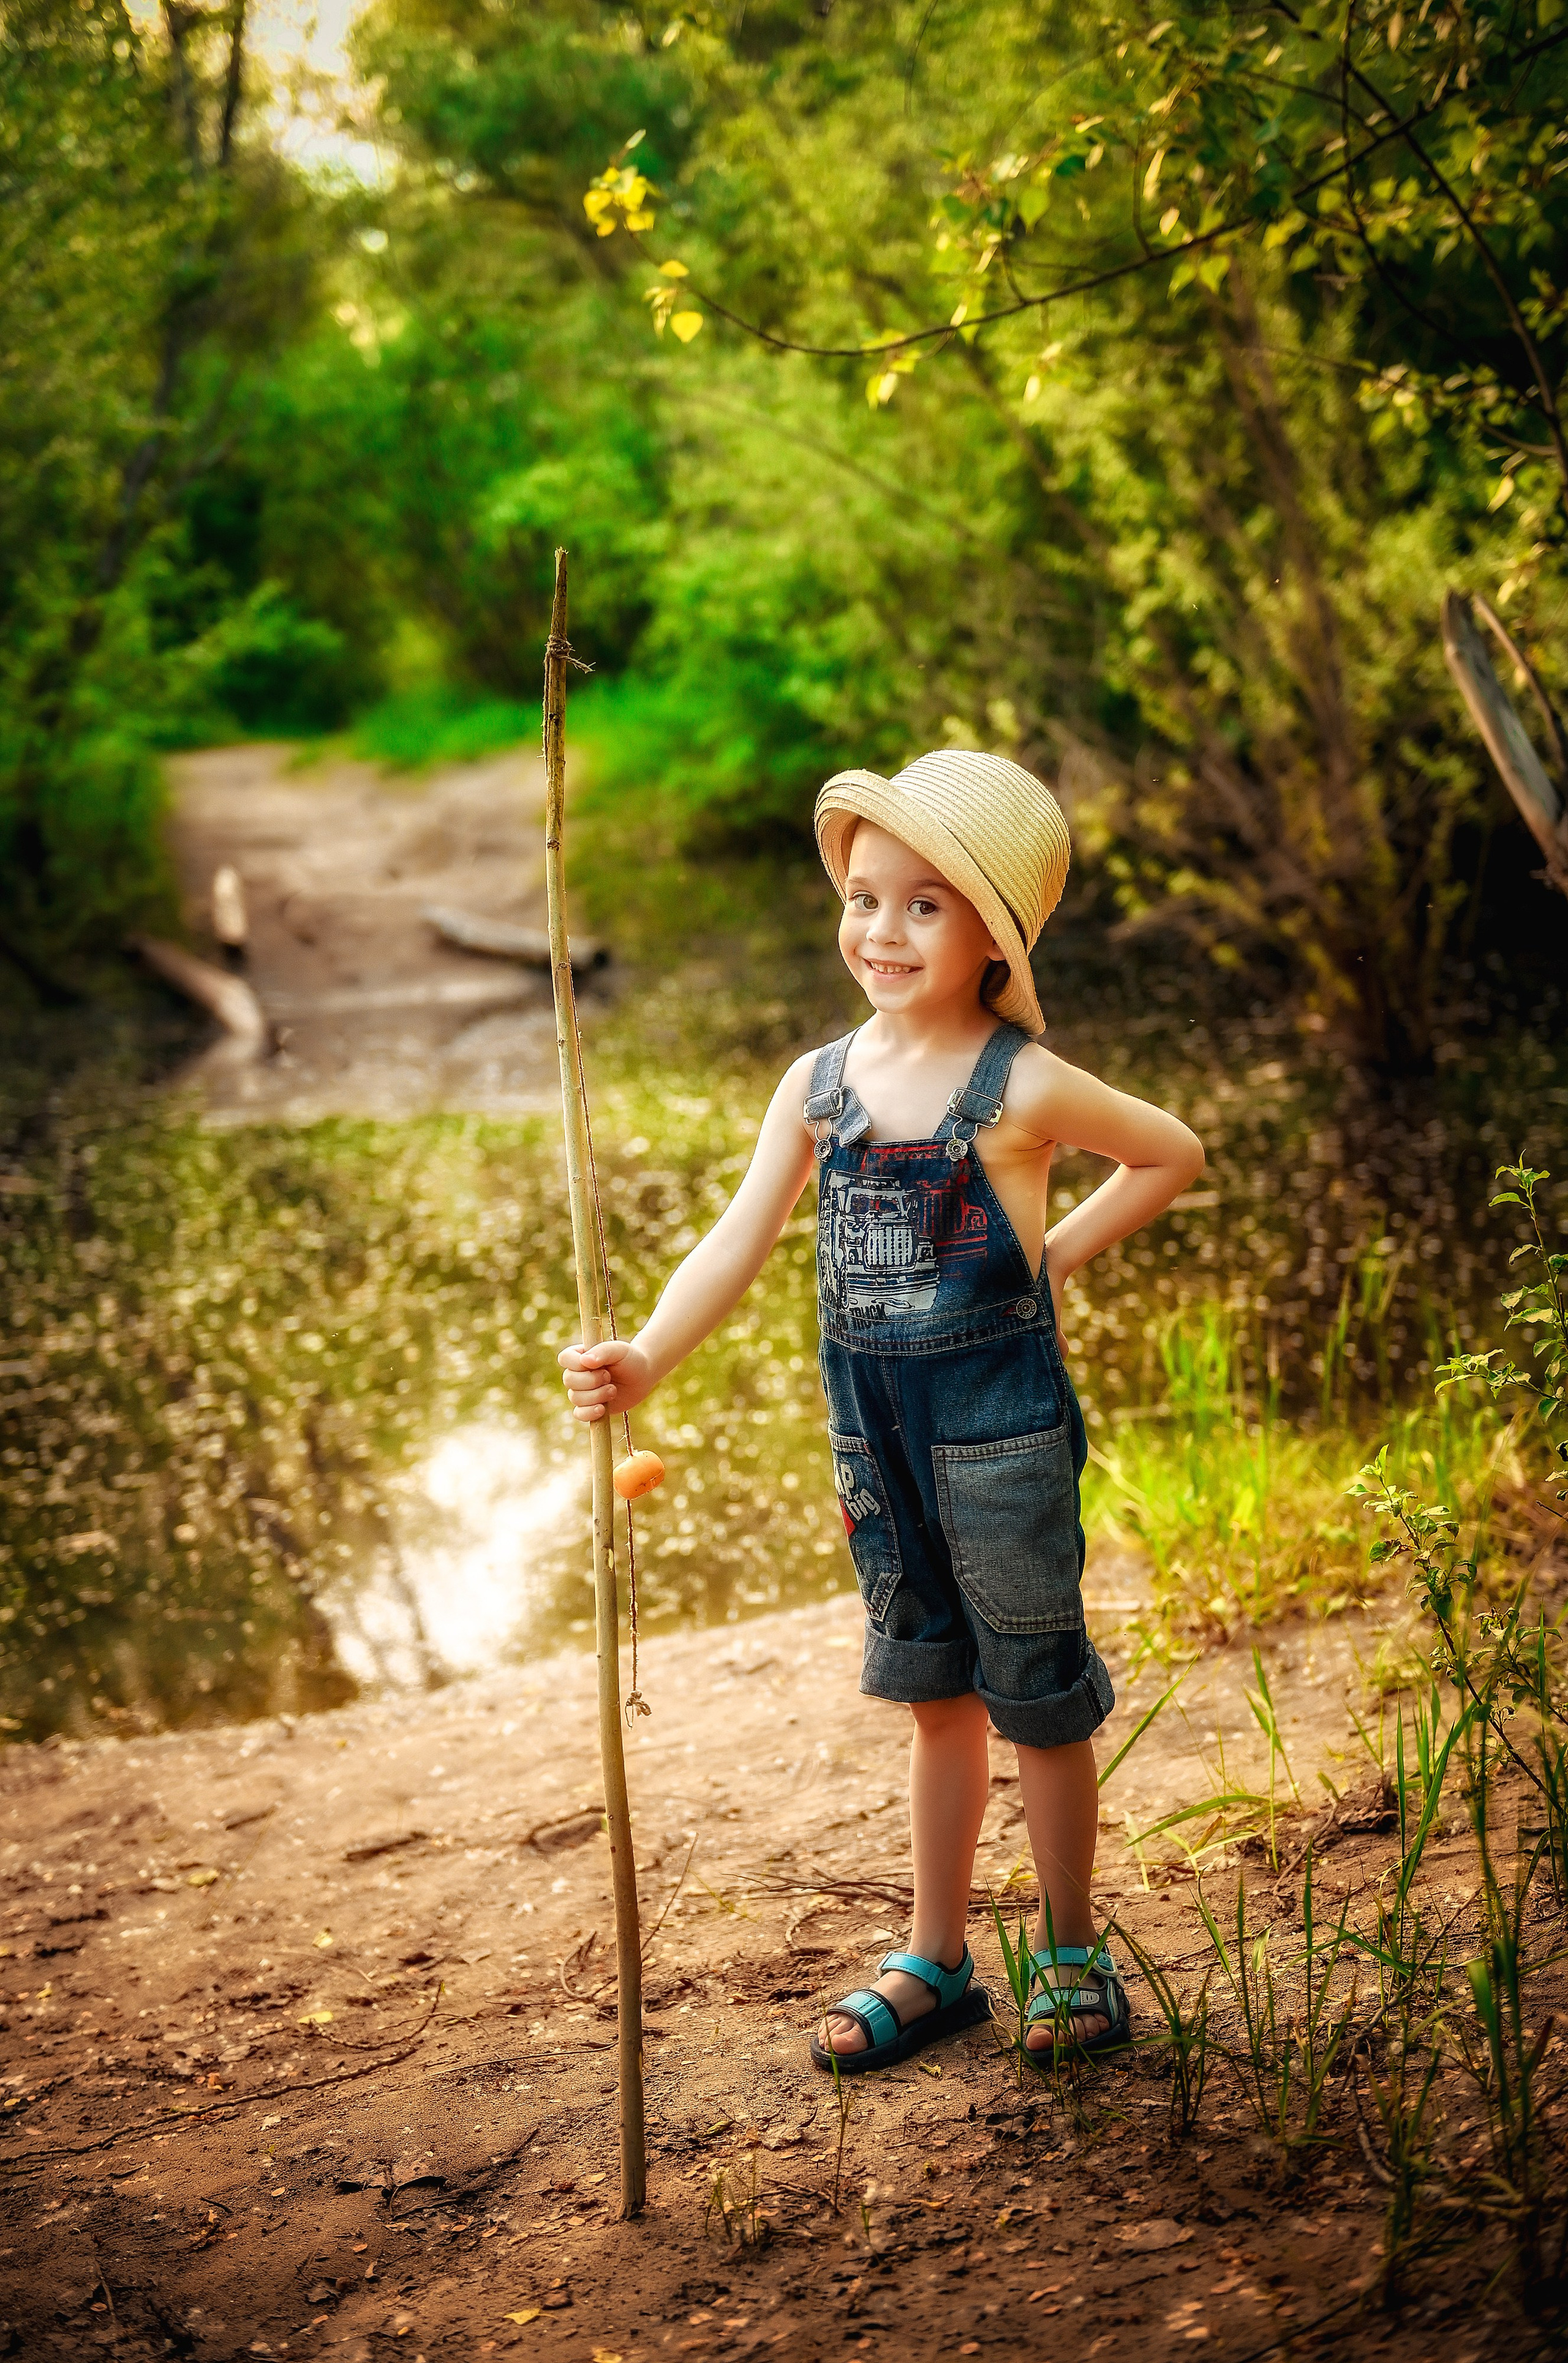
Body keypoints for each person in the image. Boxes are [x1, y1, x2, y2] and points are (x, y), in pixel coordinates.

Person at [559, 749, 1204, 2072]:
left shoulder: (1018, 1083)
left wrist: (1054, 1255)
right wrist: (645, 1359)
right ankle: (937, 1957)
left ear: (988, 937)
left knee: (1035, 1696)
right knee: (932, 1697)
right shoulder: (815, 1084)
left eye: (924, 904)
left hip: (1000, 1433)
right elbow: (739, 1238)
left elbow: (1170, 1152)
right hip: (875, 1439)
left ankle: (1071, 1951)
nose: (880, 928)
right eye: (863, 897)